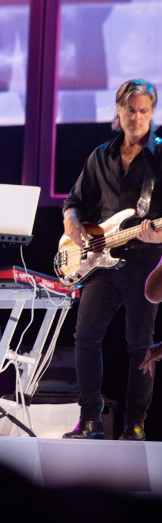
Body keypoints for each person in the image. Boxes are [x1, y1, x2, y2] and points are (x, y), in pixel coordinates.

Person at [62, 79, 162, 442]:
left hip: (145, 260)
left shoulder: (161, 155)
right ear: (118, 110)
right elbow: (73, 201)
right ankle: (89, 420)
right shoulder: (100, 156)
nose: (136, 118)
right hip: (101, 259)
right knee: (85, 337)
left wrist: (159, 235)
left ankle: (135, 423)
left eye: (143, 111)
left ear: (152, 113)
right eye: (130, 110)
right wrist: (71, 224)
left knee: (140, 345)